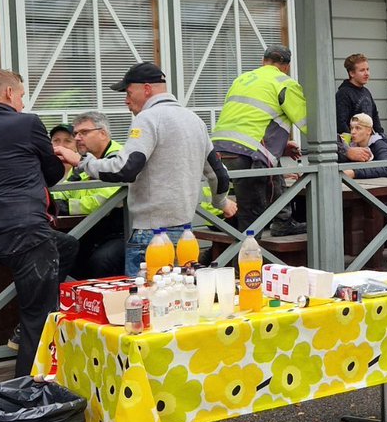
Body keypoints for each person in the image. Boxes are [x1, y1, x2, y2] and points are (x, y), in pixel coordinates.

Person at [0, 69, 78, 377]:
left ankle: (32, 325)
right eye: (21, 95)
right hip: (29, 232)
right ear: (9, 94)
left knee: (68, 245)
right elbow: (50, 175)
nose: (22, 101)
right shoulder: (27, 123)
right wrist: (62, 157)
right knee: (37, 317)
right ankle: (27, 394)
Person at [54, 63, 234, 275]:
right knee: (178, 298)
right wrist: (221, 202)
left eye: (129, 93)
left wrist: (82, 162)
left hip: (150, 234)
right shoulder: (194, 119)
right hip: (185, 232)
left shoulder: (147, 119)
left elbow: (125, 169)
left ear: (147, 89)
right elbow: (219, 174)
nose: (126, 100)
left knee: (145, 301)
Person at [212, 46, 307, 236]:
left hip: (219, 149)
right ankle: (247, 262)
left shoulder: (242, 79)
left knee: (271, 172)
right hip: (248, 152)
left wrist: (281, 145)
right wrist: (342, 149)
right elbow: (310, 125)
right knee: (252, 219)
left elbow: (248, 118)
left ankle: (283, 221)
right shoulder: (284, 82)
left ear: (263, 61)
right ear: (286, 67)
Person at [53, 112, 125, 279]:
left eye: (84, 132)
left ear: (103, 134)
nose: (78, 138)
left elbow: (104, 200)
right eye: (76, 133)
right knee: (61, 255)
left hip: (122, 232)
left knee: (101, 261)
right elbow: (64, 190)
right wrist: (52, 201)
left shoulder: (119, 158)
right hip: (90, 230)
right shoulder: (84, 161)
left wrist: (63, 207)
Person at [335, 54, 387, 145]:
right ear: (352, 73)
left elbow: (374, 115)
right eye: (362, 70)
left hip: (370, 143)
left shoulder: (366, 91)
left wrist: (381, 135)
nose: (367, 73)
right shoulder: (343, 94)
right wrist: (352, 145)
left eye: (367, 69)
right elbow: (341, 123)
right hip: (354, 147)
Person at [339, 113, 387, 179]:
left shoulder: (379, 144)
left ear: (369, 131)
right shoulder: (351, 146)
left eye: (358, 128)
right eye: (351, 128)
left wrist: (355, 173)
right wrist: (342, 146)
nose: (353, 132)